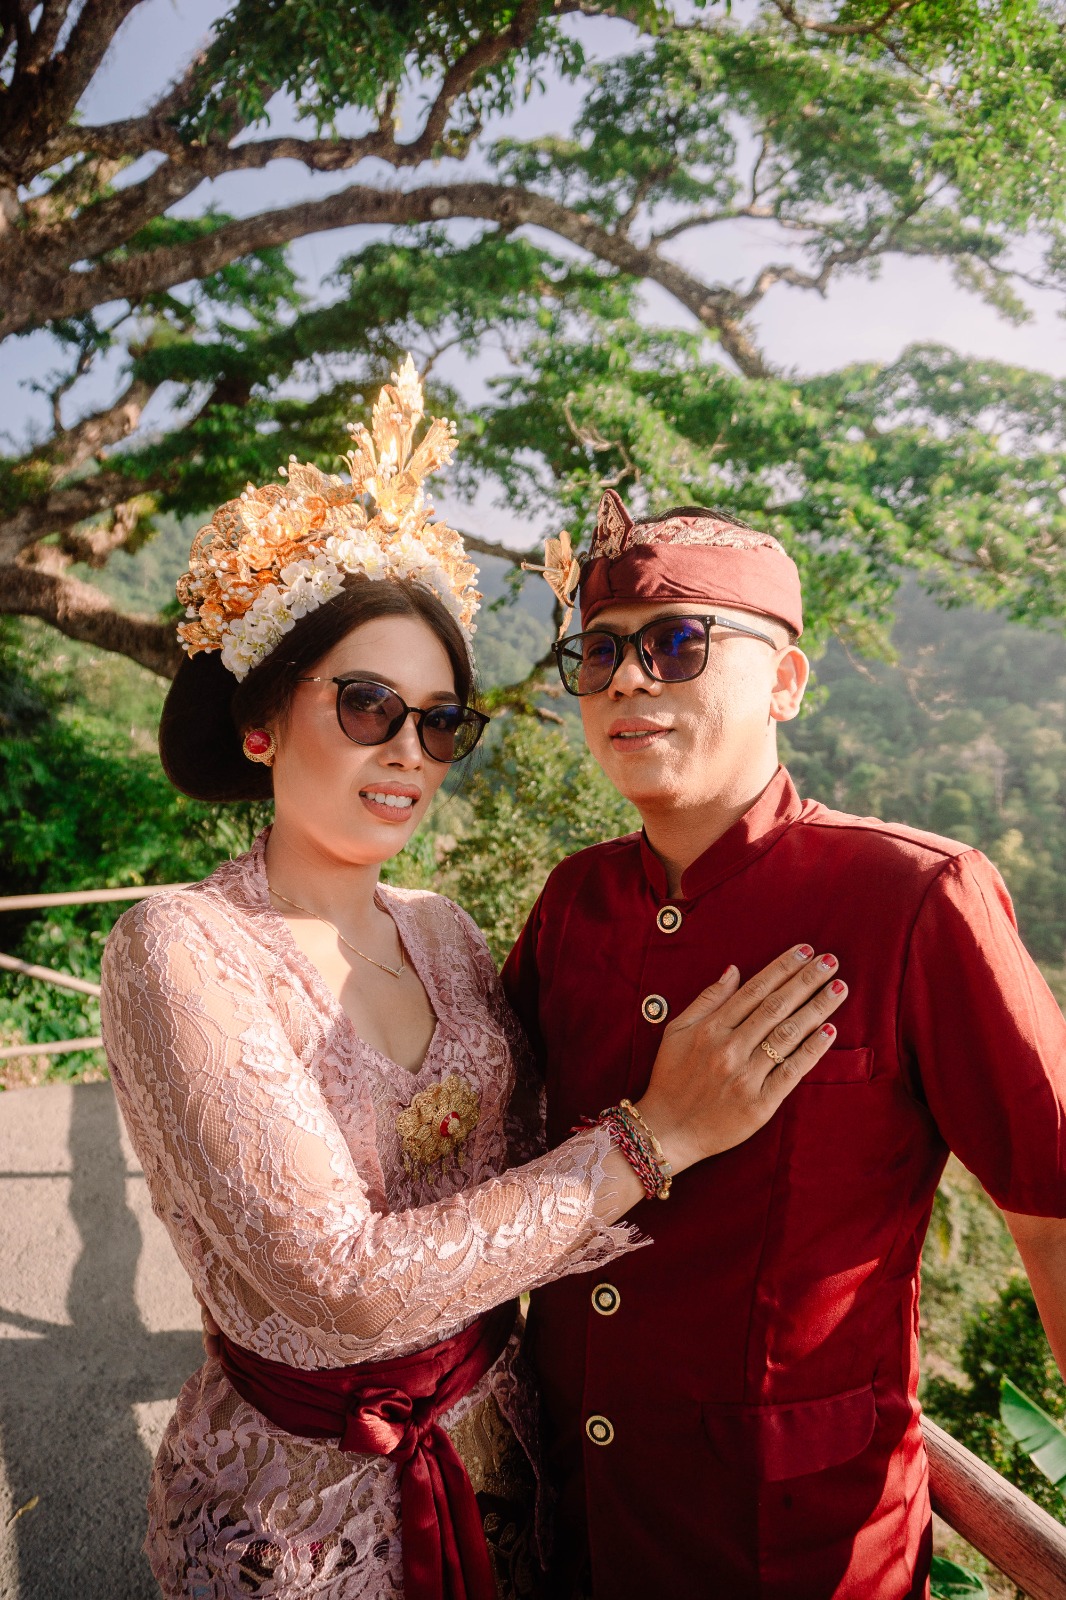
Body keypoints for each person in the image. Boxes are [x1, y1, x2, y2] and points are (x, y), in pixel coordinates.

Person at [99, 364, 847, 1600]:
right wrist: (654, 1137)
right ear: (260, 721)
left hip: (507, 1452)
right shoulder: (180, 947)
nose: (409, 750)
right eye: (368, 706)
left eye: (442, 721)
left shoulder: (444, 932)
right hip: (299, 1503)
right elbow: (338, 1286)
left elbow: (523, 1158)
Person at [506, 489, 1066, 1599]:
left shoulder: (913, 896)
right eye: (599, 652)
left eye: (677, 644)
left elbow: (1052, 1211)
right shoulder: (575, 903)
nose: (628, 681)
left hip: (799, 1550)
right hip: (578, 1524)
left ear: (786, 682)